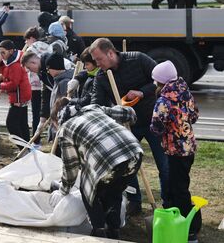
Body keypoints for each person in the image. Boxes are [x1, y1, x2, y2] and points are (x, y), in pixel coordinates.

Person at [89, 38, 169, 215]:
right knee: (126, 165)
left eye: (99, 59)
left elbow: (160, 82)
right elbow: (97, 102)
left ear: (110, 53)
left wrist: (142, 92)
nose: (97, 64)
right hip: (127, 126)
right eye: (95, 61)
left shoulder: (138, 59)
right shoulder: (102, 77)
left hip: (152, 120)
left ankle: (168, 202)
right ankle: (134, 201)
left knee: (164, 163)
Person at [49, 98, 142, 239]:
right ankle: (113, 231)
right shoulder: (92, 108)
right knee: (113, 191)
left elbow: (71, 168)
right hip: (134, 153)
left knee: (88, 191)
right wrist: (131, 117)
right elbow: (129, 113)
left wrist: (63, 190)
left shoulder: (66, 129)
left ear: (57, 119)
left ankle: (99, 231)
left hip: (109, 160)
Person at [150, 60, 201, 242]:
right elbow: (194, 115)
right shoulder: (185, 92)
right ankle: (184, 224)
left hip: (175, 150)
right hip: (189, 147)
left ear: (161, 81)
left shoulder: (164, 100)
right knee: (180, 185)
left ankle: (190, 229)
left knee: (178, 189)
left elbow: (156, 127)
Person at [0, 40, 31, 144]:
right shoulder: (10, 61)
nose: (1, 55)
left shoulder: (15, 64)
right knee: (22, 123)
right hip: (20, 95)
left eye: (3, 52)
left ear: (10, 51)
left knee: (11, 124)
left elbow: (13, 83)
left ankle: (23, 147)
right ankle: (26, 146)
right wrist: (0, 62)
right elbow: (5, 72)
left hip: (19, 96)